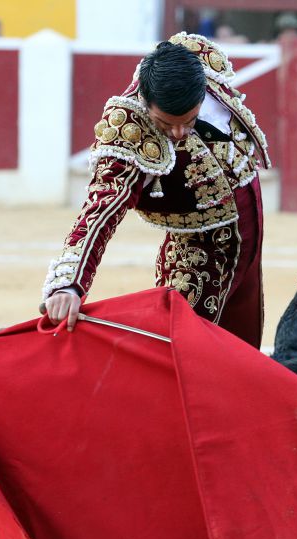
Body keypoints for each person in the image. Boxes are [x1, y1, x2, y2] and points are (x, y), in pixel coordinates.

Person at [41, 33, 271, 348]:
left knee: (243, 351)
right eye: (165, 125)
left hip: (250, 241)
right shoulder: (127, 131)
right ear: (147, 103)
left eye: (188, 121)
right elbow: (101, 209)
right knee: (179, 354)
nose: (178, 133)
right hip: (196, 258)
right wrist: (69, 284)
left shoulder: (201, 62)